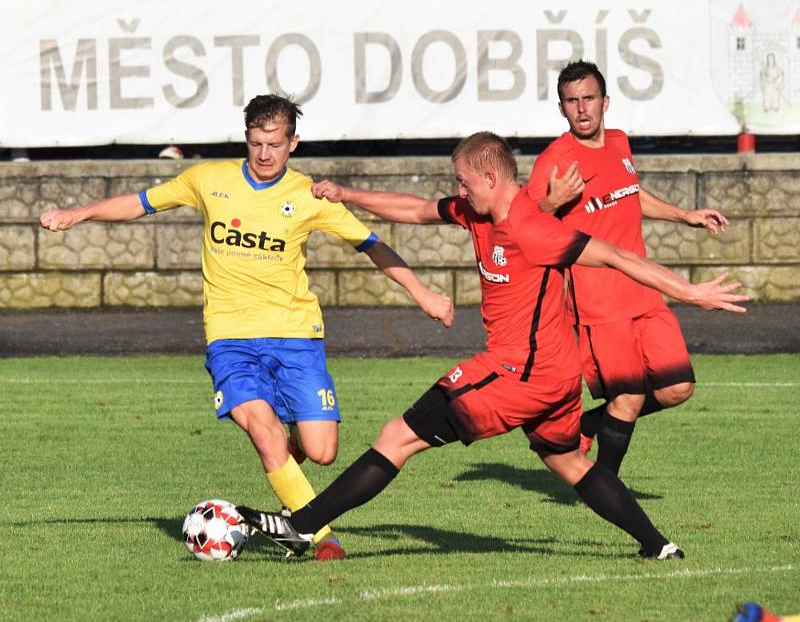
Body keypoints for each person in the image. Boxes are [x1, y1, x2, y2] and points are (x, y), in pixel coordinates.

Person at [234, 131, 747, 559]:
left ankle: (302, 526)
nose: (459, 188)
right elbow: (415, 210)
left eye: (464, 180)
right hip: (554, 376)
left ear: (492, 178)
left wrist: (689, 292)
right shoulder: (480, 213)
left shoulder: (532, 228)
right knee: (569, 462)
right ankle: (658, 546)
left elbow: (616, 255)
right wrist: (347, 194)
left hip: (518, 373)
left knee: (398, 435)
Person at [39, 93, 454, 561]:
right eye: (256, 143)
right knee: (262, 428)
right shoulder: (207, 179)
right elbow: (139, 204)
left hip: (296, 335)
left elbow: (372, 245)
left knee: (322, 451)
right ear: (247, 138)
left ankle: (289, 464)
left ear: (293, 142)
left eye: (274, 144)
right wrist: (78, 215)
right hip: (230, 336)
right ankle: (319, 537)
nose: (263, 154)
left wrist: (422, 293)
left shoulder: (308, 196)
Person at [527, 60, 731, 472]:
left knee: (678, 387)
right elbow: (524, 226)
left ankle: (589, 423)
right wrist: (552, 201)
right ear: (561, 108)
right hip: (598, 305)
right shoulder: (554, 162)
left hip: (645, 292)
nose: (582, 108)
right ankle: (606, 485)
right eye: (572, 101)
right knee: (629, 397)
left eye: (588, 99)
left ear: (606, 102)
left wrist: (684, 214)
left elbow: (629, 193)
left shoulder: (619, 142)